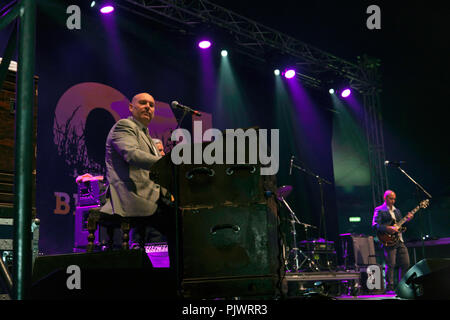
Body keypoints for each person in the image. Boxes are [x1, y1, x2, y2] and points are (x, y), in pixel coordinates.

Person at [100, 92, 174, 249]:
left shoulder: (147, 135)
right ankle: (174, 271)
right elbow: (132, 155)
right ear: (131, 107)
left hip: (149, 195)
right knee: (177, 221)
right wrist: (169, 163)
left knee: (183, 216)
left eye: (151, 105)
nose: (148, 107)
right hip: (132, 195)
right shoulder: (124, 126)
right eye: (143, 103)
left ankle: (175, 270)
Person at [372, 190, 414, 292]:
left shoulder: (397, 211)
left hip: (399, 240)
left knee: (406, 263)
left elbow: (401, 226)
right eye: (391, 198)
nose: (393, 201)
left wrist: (407, 220)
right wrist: (387, 228)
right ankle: (390, 287)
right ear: (385, 198)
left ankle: (401, 286)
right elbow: (375, 225)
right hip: (388, 240)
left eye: (394, 199)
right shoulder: (379, 210)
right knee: (391, 264)